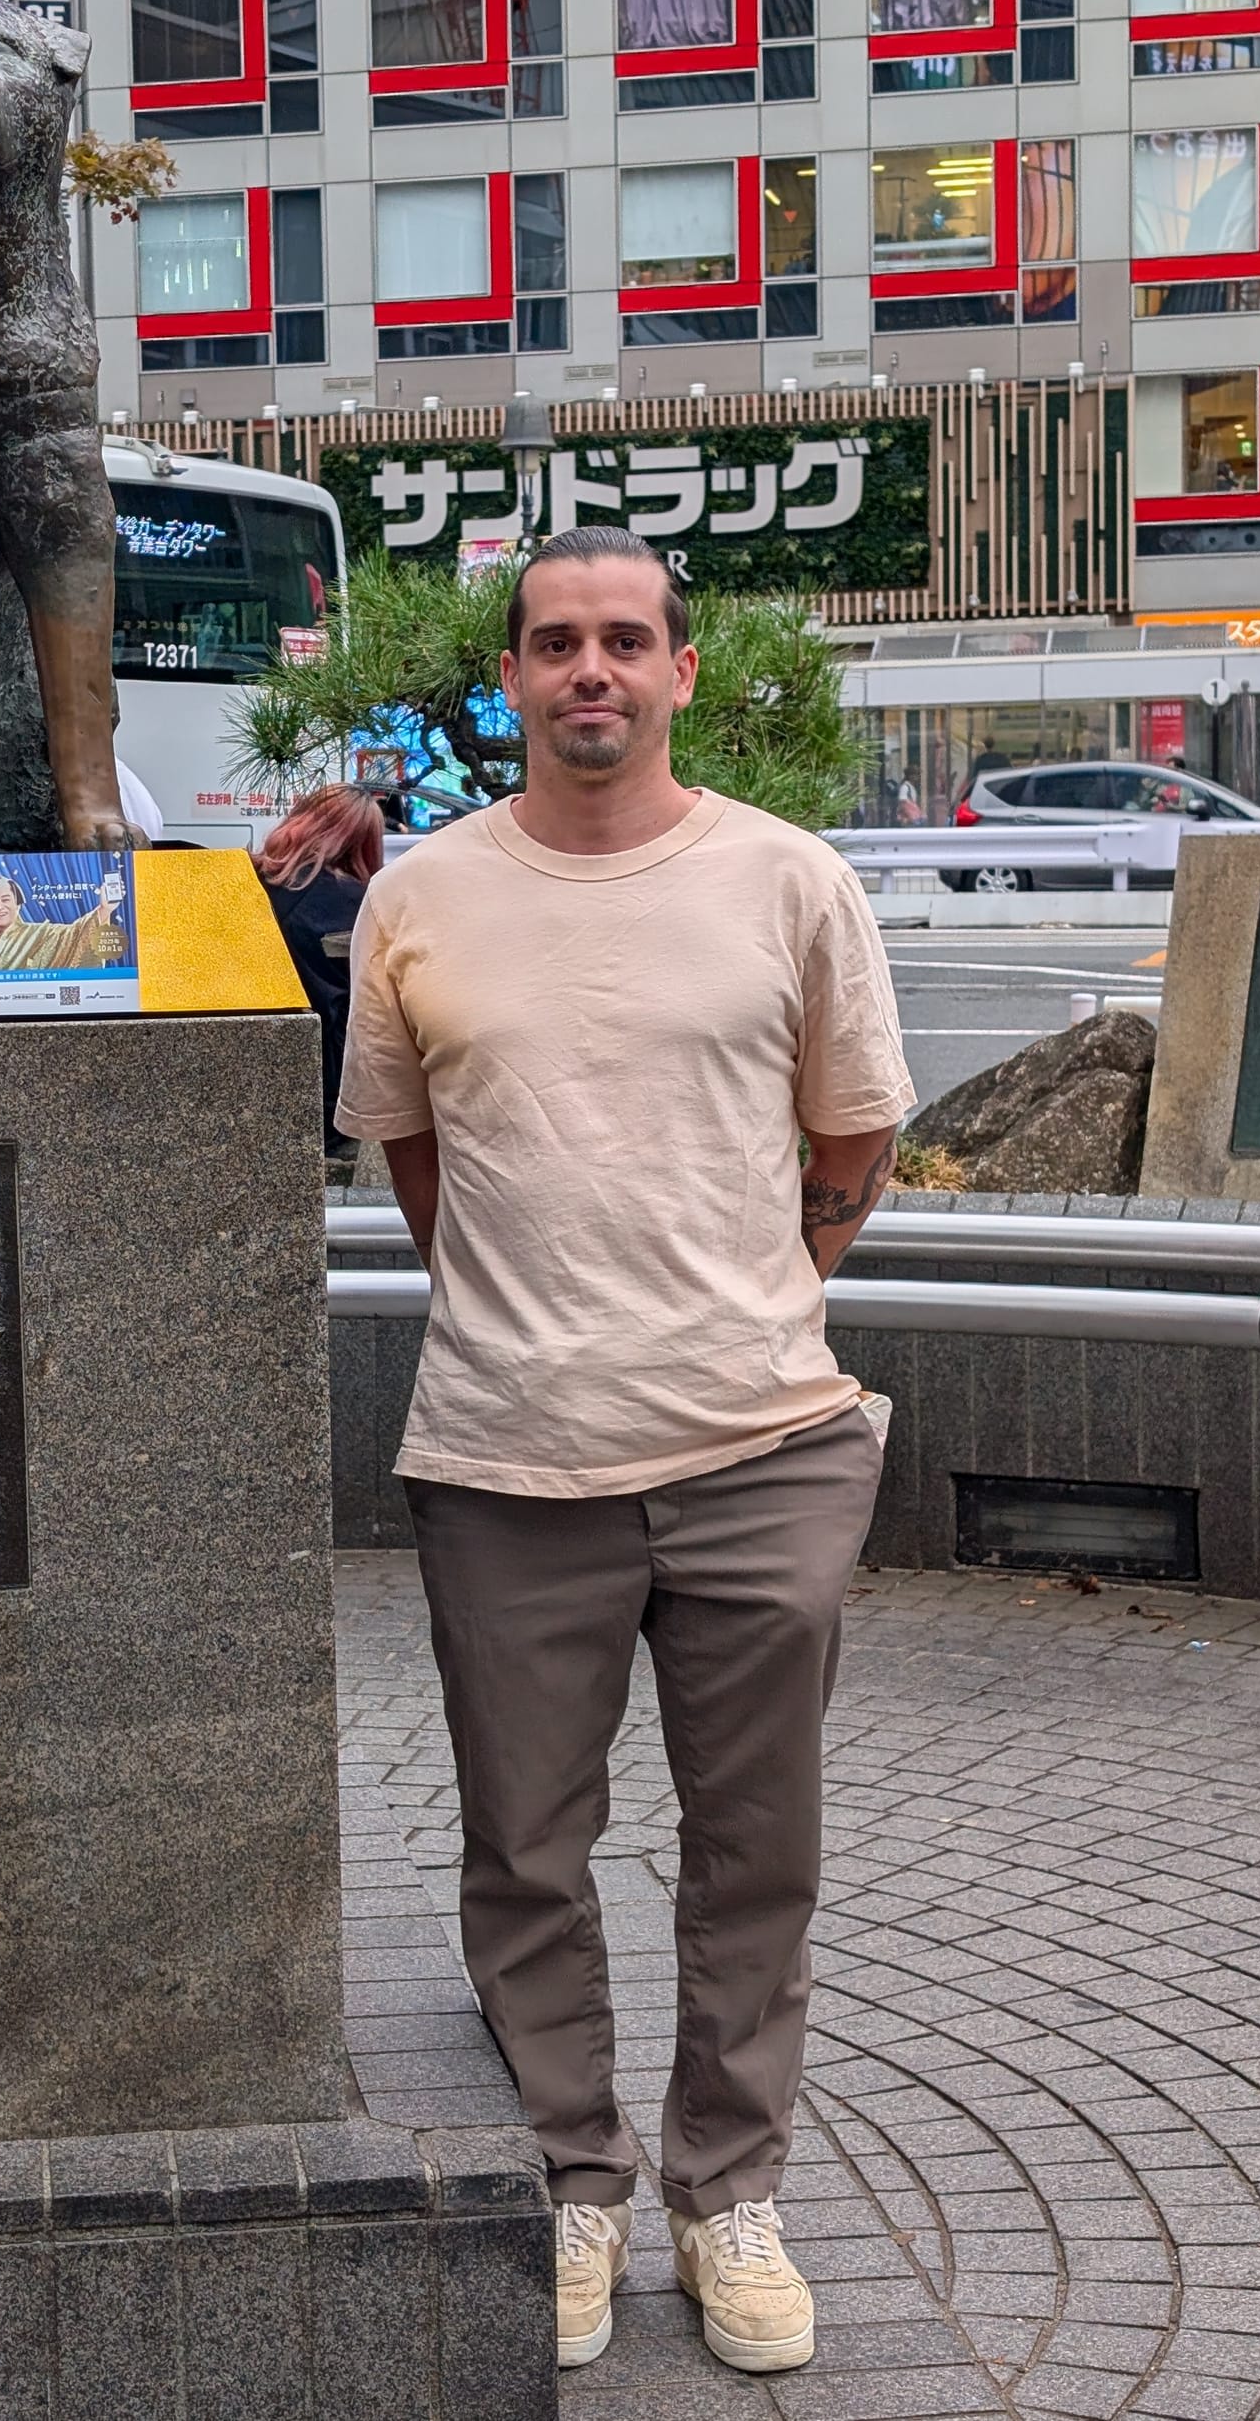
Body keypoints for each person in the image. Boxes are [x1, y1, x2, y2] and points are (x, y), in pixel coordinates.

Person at [335, 527, 914, 2379]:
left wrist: (754, 1294)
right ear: (508, 679)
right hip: (508, 1454)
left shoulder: (788, 880)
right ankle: (577, 2180)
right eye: (555, 644)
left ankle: (723, 2190)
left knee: (760, 1848)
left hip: (764, 1443)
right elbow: (416, 1164)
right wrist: (538, 1306)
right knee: (526, 1845)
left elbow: (853, 1146)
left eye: (623, 643)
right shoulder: (419, 898)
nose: (590, 670)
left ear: (679, 671)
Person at [254, 786, 385, 1159]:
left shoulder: (248, 883)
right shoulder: (362, 902)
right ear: (364, 843)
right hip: (330, 1098)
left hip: (247, 1080)